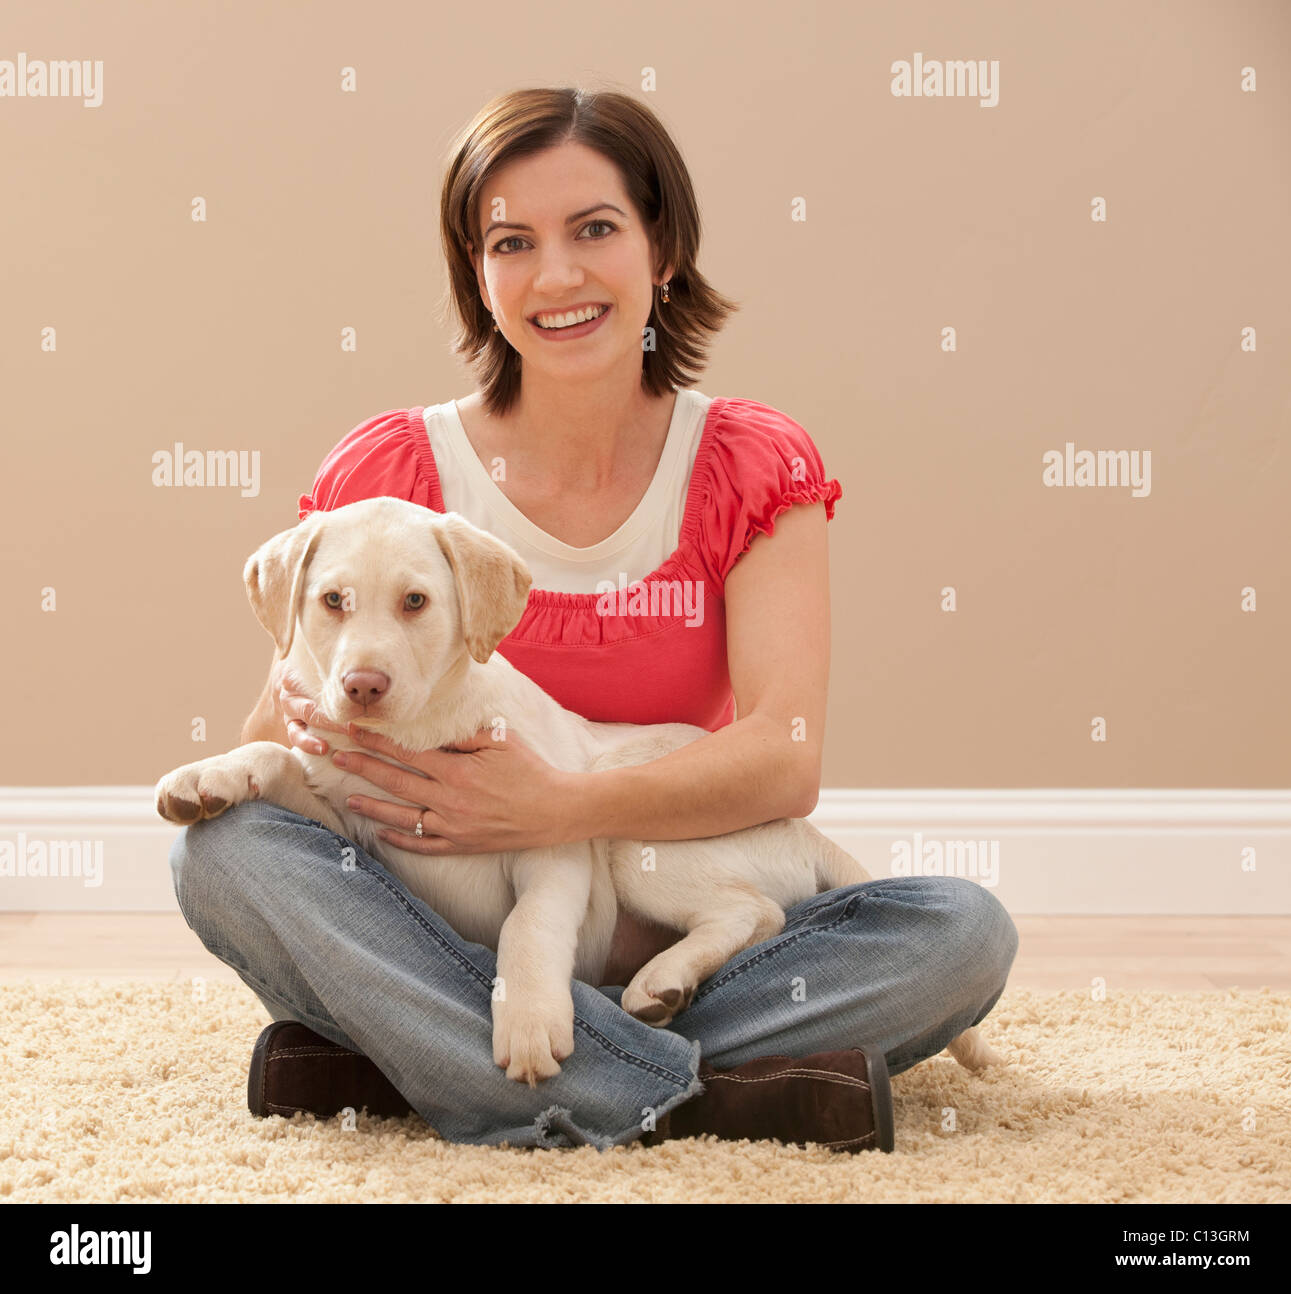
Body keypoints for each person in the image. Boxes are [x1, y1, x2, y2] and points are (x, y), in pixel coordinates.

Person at [167, 85, 1018, 1153]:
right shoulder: (389, 474)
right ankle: (711, 1085)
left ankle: (438, 1062)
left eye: (596, 229)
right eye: (511, 241)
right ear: (478, 274)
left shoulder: (748, 463)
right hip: (445, 923)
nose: (556, 275)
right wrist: (298, 710)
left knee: (960, 932)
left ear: (662, 247)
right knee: (219, 853)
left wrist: (556, 806)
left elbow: (783, 760)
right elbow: (272, 759)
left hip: (656, 891)